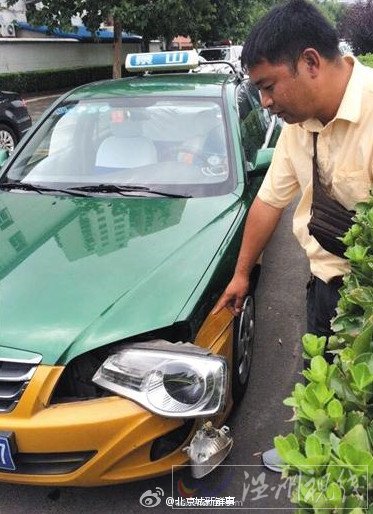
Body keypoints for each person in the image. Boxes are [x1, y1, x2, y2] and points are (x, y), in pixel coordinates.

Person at [212, 0, 373, 472]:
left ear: (309, 62)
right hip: (326, 283)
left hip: (368, 295)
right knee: (319, 382)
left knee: (361, 402)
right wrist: (242, 274)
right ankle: (309, 456)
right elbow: (268, 203)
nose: (264, 102)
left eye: (267, 86)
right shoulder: (297, 128)